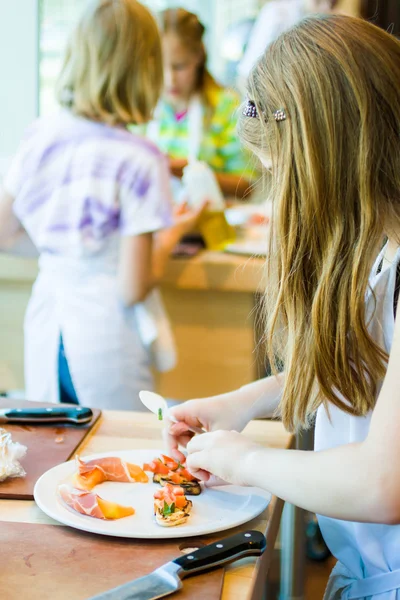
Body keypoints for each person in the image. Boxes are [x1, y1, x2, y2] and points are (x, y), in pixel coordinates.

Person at [164, 15, 400, 599]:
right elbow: (374, 365)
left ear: (330, 160)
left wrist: (243, 460)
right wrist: (248, 399)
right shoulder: (384, 249)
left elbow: (382, 484)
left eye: (285, 176)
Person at [0, 0, 204, 410]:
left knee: (57, 449)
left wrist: (72, 249)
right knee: (113, 455)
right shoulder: (141, 159)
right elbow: (132, 286)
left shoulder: (41, 135)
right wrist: (173, 234)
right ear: (146, 68)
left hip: (47, 325)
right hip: (105, 339)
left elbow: (5, 233)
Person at [146, 7, 256, 200]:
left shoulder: (226, 107)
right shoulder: (145, 107)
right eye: (160, 67)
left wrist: (193, 173)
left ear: (198, 57)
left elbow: (246, 185)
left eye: (179, 66)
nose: (170, 79)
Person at [237, 0, 338, 90]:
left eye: (333, 3)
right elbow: (248, 72)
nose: (326, 7)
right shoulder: (277, 14)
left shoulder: (324, 24)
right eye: (319, 1)